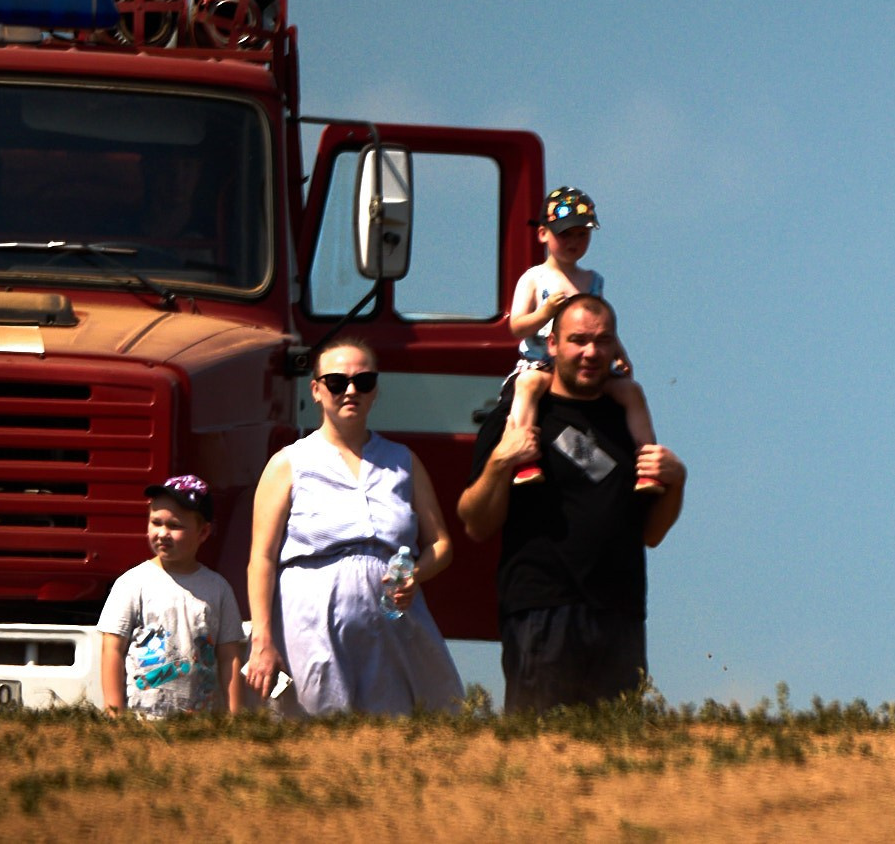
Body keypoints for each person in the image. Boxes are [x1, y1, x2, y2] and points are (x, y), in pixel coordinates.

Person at [461, 294, 686, 712]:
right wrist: (500, 461)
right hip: (540, 611)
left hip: (619, 614)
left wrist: (677, 484)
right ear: (552, 345)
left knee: (619, 760)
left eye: (602, 341)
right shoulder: (516, 417)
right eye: (578, 340)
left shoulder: (628, 421)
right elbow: (475, 522)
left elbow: (651, 535)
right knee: (538, 757)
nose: (590, 352)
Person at [242, 337, 463, 715]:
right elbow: (261, 558)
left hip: (391, 619)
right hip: (310, 616)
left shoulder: (402, 460)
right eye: (336, 382)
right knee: (317, 730)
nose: (350, 391)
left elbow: (441, 544)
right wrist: (262, 637)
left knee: (400, 731)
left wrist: (415, 574)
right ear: (315, 390)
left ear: (375, 391)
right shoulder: (289, 463)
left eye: (363, 381)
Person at [504, 187, 658, 491]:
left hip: (588, 366)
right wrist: (545, 312)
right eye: (566, 234)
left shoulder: (593, 280)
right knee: (526, 385)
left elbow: (603, 328)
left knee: (631, 391)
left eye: (582, 234)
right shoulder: (534, 278)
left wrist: (618, 353)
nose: (574, 242)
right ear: (543, 235)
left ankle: (647, 462)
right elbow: (517, 327)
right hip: (541, 363)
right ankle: (523, 457)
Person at [96, 475, 248, 717]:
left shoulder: (218, 589)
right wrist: (114, 715)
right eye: (156, 522)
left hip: (201, 726)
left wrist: (235, 718)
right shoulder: (132, 583)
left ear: (203, 532)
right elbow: (112, 649)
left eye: (175, 526)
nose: (162, 533)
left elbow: (229, 657)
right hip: (143, 723)